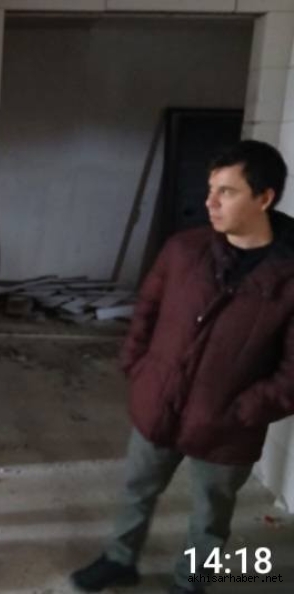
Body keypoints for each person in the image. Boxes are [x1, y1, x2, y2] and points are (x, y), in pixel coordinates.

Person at [71, 140, 294, 594]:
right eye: (210, 190)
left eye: (226, 192)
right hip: (160, 400)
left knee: (210, 515)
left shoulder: (289, 275)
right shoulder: (184, 250)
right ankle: (119, 559)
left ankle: (191, 583)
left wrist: (244, 410)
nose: (210, 202)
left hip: (226, 424)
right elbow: (146, 313)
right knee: (137, 489)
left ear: (264, 198)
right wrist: (138, 369)